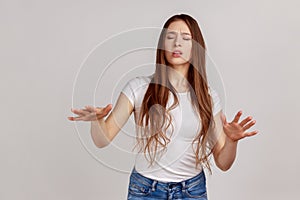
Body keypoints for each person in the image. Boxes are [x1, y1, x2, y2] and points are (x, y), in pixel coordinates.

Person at [68, 13, 259, 200]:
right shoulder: (138, 88)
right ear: (162, 45)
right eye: (170, 37)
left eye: (186, 38)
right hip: (145, 190)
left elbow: (223, 163)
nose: (177, 43)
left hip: (192, 190)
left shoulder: (207, 97)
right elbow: (102, 140)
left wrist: (232, 141)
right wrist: (97, 119)